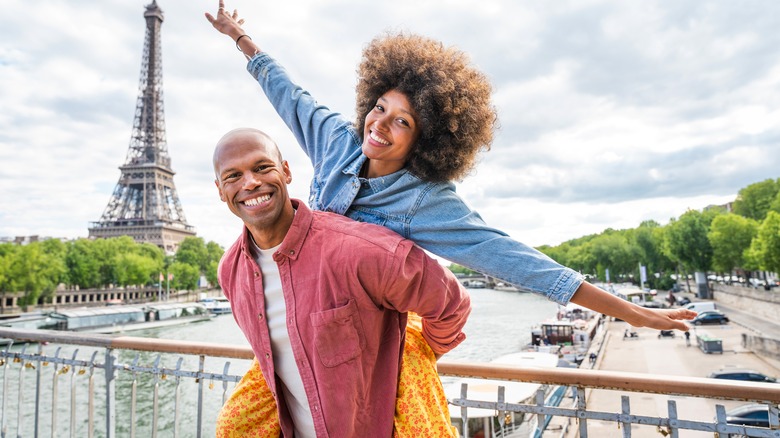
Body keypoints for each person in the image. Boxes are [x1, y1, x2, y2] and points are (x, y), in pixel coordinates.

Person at [205, 2, 697, 435]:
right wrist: (240, 39)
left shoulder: (426, 200)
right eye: (380, 108)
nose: (380, 125)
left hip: (377, 337)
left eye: (404, 121)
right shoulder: (337, 140)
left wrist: (630, 312)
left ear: (428, 139)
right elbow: (290, 95)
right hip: (315, 321)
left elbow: (516, 261)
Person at [213, 127, 471, 437]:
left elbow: (451, 304)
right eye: (233, 176)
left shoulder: (358, 250)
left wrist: (412, 355)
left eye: (261, 167)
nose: (250, 183)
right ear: (220, 190)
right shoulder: (231, 271)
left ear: (285, 171)